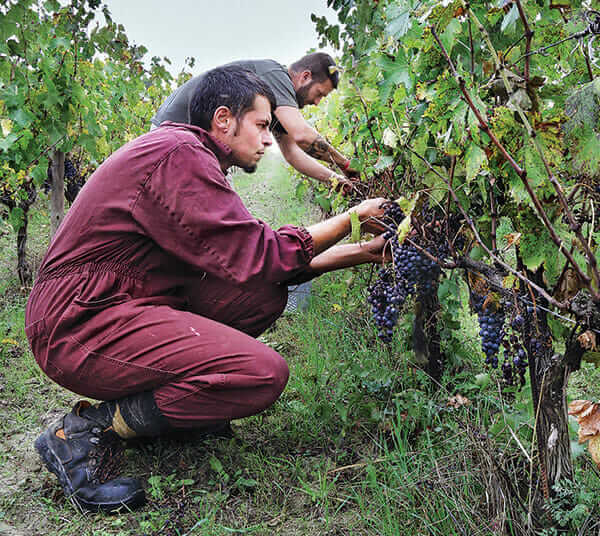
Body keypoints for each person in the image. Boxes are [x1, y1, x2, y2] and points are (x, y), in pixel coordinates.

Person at [25, 66, 389, 513]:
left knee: (261, 295)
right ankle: (86, 431)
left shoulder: (190, 156)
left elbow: (253, 267)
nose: (268, 139)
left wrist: (361, 251)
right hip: (76, 321)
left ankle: (177, 410)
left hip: (118, 302)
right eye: (260, 126)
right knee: (261, 373)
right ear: (223, 120)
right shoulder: (179, 154)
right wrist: (351, 217)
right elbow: (261, 254)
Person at [152, 53, 359, 193]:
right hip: (174, 135)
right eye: (319, 94)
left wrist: (338, 182)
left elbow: (293, 154)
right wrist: (345, 164)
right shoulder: (277, 77)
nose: (316, 102)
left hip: (188, 141)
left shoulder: (275, 104)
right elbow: (302, 135)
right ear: (305, 77)